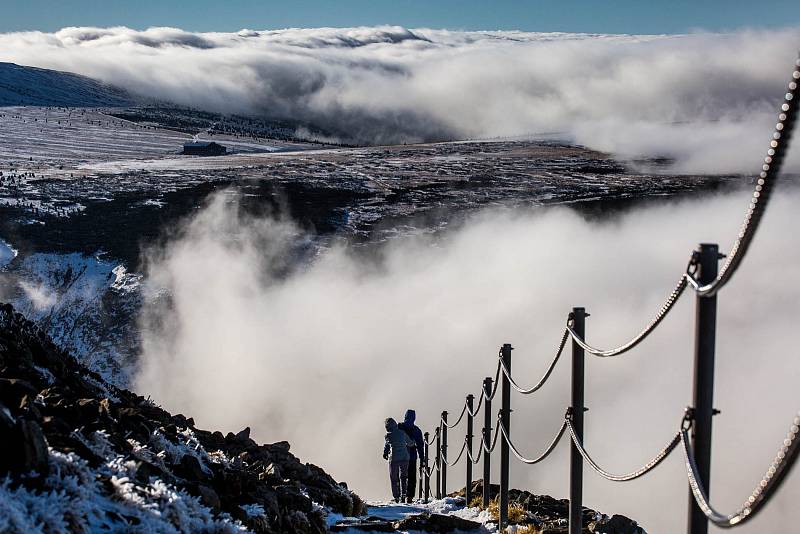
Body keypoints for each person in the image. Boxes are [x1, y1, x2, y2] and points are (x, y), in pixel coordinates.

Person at [383, 417, 414, 503]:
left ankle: (396, 497)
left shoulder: (387, 436)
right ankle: (403, 494)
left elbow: (387, 446)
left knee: (394, 478)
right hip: (405, 457)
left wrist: (385, 453)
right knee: (403, 477)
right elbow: (410, 443)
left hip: (394, 458)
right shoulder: (402, 433)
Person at [398, 409, 425, 503]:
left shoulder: (399, 427)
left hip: (400, 456)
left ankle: (400, 496)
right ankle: (409, 497)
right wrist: (422, 458)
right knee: (412, 477)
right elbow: (420, 445)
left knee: (401, 476)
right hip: (412, 457)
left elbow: (391, 438)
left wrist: (387, 450)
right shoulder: (417, 430)